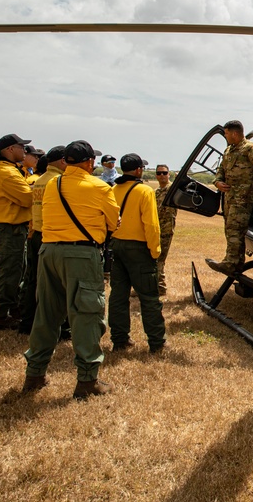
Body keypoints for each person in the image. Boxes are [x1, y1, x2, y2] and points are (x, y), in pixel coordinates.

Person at [22, 140, 118, 400]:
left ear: (66, 161)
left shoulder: (52, 183)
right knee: (86, 315)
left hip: (48, 251)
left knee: (46, 315)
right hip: (81, 254)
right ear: (89, 162)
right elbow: (113, 222)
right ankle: (87, 381)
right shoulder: (99, 186)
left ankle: (34, 374)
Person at [108, 153, 166, 353]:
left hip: (117, 245)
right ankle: (157, 342)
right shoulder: (144, 191)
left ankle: (119, 339)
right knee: (149, 297)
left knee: (118, 295)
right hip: (139, 249)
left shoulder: (114, 189)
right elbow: (151, 224)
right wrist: (155, 250)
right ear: (139, 170)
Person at [206, 120, 253, 275]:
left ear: (234, 133)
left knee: (236, 230)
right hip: (229, 198)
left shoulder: (250, 149)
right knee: (230, 230)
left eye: (226, 133)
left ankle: (231, 264)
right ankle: (236, 263)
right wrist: (218, 182)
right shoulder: (229, 151)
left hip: (244, 199)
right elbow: (220, 170)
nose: (226, 136)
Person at [19, 146, 70, 337]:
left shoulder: (39, 180)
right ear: (63, 161)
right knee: (56, 284)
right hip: (52, 236)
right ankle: (60, 327)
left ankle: (27, 321)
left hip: (36, 233)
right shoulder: (58, 182)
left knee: (32, 280)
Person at [0, 134, 34, 330]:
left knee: (13, 270)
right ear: (10, 149)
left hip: (9, 229)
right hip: (9, 229)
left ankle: (10, 308)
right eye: (22, 147)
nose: (25, 151)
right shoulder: (7, 172)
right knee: (8, 273)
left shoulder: (7, 170)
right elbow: (27, 198)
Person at [154, 164, 177, 296]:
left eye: (164, 173)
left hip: (166, 229)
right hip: (156, 228)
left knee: (159, 259)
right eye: (159, 173)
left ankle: (159, 288)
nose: (161, 175)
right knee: (155, 258)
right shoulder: (156, 192)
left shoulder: (172, 189)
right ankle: (158, 286)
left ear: (169, 174)